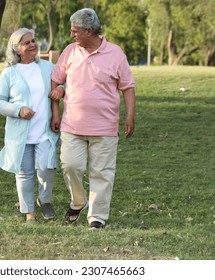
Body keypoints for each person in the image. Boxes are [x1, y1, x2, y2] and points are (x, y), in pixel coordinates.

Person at [49, 8, 136, 230]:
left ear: (89, 31)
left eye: (75, 31)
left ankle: (97, 216)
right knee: (70, 165)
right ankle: (78, 201)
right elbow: (55, 80)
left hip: (105, 128)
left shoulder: (116, 54)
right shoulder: (70, 52)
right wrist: (56, 111)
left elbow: (127, 87)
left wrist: (130, 116)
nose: (72, 35)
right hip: (72, 125)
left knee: (102, 173)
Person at [0, 28, 61, 223]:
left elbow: (63, 83)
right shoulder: (9, 73)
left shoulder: (48, 67)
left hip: (44, 131)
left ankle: (45, 200)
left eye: (33, 41)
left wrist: (61, 90)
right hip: (19, 135)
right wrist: (18, 110)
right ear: (17, 50)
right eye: (26, 43)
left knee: (46, 168)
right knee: (24, 174)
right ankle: (29, 211)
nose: (33, 45)